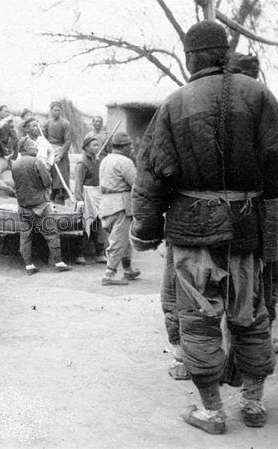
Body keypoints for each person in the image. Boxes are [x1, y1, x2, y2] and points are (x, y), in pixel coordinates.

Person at [131, 21, 278, 434]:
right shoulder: (261, 96)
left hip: (194, 232)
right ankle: (252, 405)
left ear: (192, 57)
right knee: (250, 314)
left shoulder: (175, 103)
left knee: (198, 318)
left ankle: (212, 411)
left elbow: (151, 176)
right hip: (247, 227)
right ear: (225, 53)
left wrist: (145, 232)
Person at [12, 134, 71, 275]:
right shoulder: (37, 162)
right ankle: (58, 262)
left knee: (25, 236)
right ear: (27, 147)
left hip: (23, 205)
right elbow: (47, 181)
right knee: (51, 233)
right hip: (39, 205)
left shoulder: (15, 164)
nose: (36, 147)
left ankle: (28, 265)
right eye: (33, 145)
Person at [98, 132, 139, 286]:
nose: (132, 148)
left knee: (122, 238)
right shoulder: (125, 161)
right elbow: (136, 183)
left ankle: (128, 269)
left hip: (106, 204)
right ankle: (109, 274)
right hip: (121, 205)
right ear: (124, 147)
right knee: (119, 240)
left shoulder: (105, 160)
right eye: (130, 145)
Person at [74, 136, 106, 265]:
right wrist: (79, 199)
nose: (96, 147)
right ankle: (80, 254)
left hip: (97, 195)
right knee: (85, 224)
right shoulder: (81, 164)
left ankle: (99, 254)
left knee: (97, 225)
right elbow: (78, 183)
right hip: (86, 196)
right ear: (86, 147)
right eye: (93, 145)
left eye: (97, 145)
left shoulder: (98, 161)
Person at [42, 101, 71, 204]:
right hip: (49, 150)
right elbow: (43, 138)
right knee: (49, 172)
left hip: (60, 150)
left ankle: (60, 196)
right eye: (54, 110)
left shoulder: (65, 124)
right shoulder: (47, 123)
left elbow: (68, 141)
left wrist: (60, 154)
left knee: (60, 174)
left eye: (58, 110)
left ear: (61, 111)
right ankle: (50, 194)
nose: (56, 112)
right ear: (51, 111)